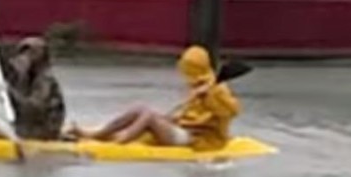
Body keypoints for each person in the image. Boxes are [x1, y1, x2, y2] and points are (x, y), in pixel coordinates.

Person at [67, 45, 240, 150]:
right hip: (181, 128)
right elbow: (186, 114)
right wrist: (168, 118)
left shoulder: (217, 88)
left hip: (197, 140)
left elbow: (232, 111)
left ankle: (119, 144)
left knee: (148, 116)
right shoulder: (197, 86)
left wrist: (209, 97)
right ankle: (96, 134)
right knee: (140, 109)